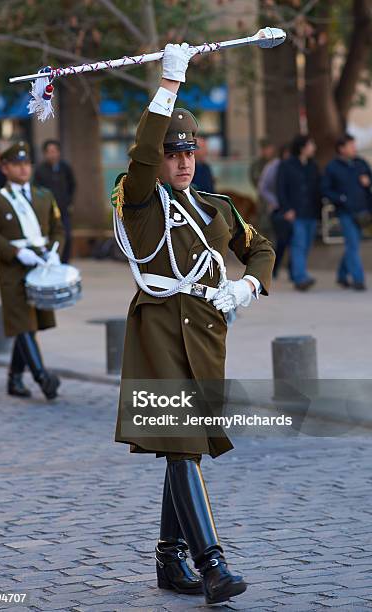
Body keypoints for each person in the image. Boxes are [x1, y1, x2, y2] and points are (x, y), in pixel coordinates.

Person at [113, 43, 275, 605]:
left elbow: (262, 250)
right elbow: (138, 155)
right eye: (172, 152)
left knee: (186, 445)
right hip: (158, 334)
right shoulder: (138, 200)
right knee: (183, 446)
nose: (182, 161)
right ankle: (213, 565)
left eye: (190, 151)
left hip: (206, 335)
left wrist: (247, 286)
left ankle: (168, 556)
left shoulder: (217, 207)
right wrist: (169, 85)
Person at [0, 142, 64, 400]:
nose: (23, 168)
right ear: (5, 168)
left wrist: (53, 251)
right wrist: (17, 253)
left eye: (26, 163)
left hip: (41, 265)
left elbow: (57, 229)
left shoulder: (44, 195)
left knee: (30, 323)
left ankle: (14, 379)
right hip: (12, 269)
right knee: (22, 321)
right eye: (17, 164)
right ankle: (42, 377)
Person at [322, 133, 371, 290]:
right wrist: (341, 198)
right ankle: (358, 279)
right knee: (353, 244)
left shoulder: (361, 163)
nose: (354, 148)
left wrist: (367, 182)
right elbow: (325, 189)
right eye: (351, 145)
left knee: (352, 244)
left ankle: (342, 275)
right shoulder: (332, 167)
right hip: (345, 212)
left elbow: (369, 181)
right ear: (341, 149)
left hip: (362, 212)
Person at [277, 135, 320, 291]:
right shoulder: (286, 165)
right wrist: (286, 209)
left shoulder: (313, 166)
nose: (314, 147)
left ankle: (297, 273)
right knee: (298, 244)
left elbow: (317, 188)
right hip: (295, 213)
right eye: (311, 144)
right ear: (302, 147)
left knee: (307, 245)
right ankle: (301, 278)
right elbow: (280, 189)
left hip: (311, 212)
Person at [34, 139, 76, 263]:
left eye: (55, 151)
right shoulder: (40, 170)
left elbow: (72, 185)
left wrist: (68, 201)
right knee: (50, 237)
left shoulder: (65, 168)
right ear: (45, 153)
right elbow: (36, 189)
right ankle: (51, 262)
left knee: (67, 236)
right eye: (49, 152)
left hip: (63, 210)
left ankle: (65, 262)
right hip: (47, 211)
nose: (52, 154)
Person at [258, 144, 292, 278]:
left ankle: (293, 270)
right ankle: (275, 267)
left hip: (292, 210)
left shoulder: (293, 167)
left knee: (293, 241)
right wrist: (276, 202)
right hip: (277, 210)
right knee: (281, 241)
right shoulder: (274, 167)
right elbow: (263, 187)